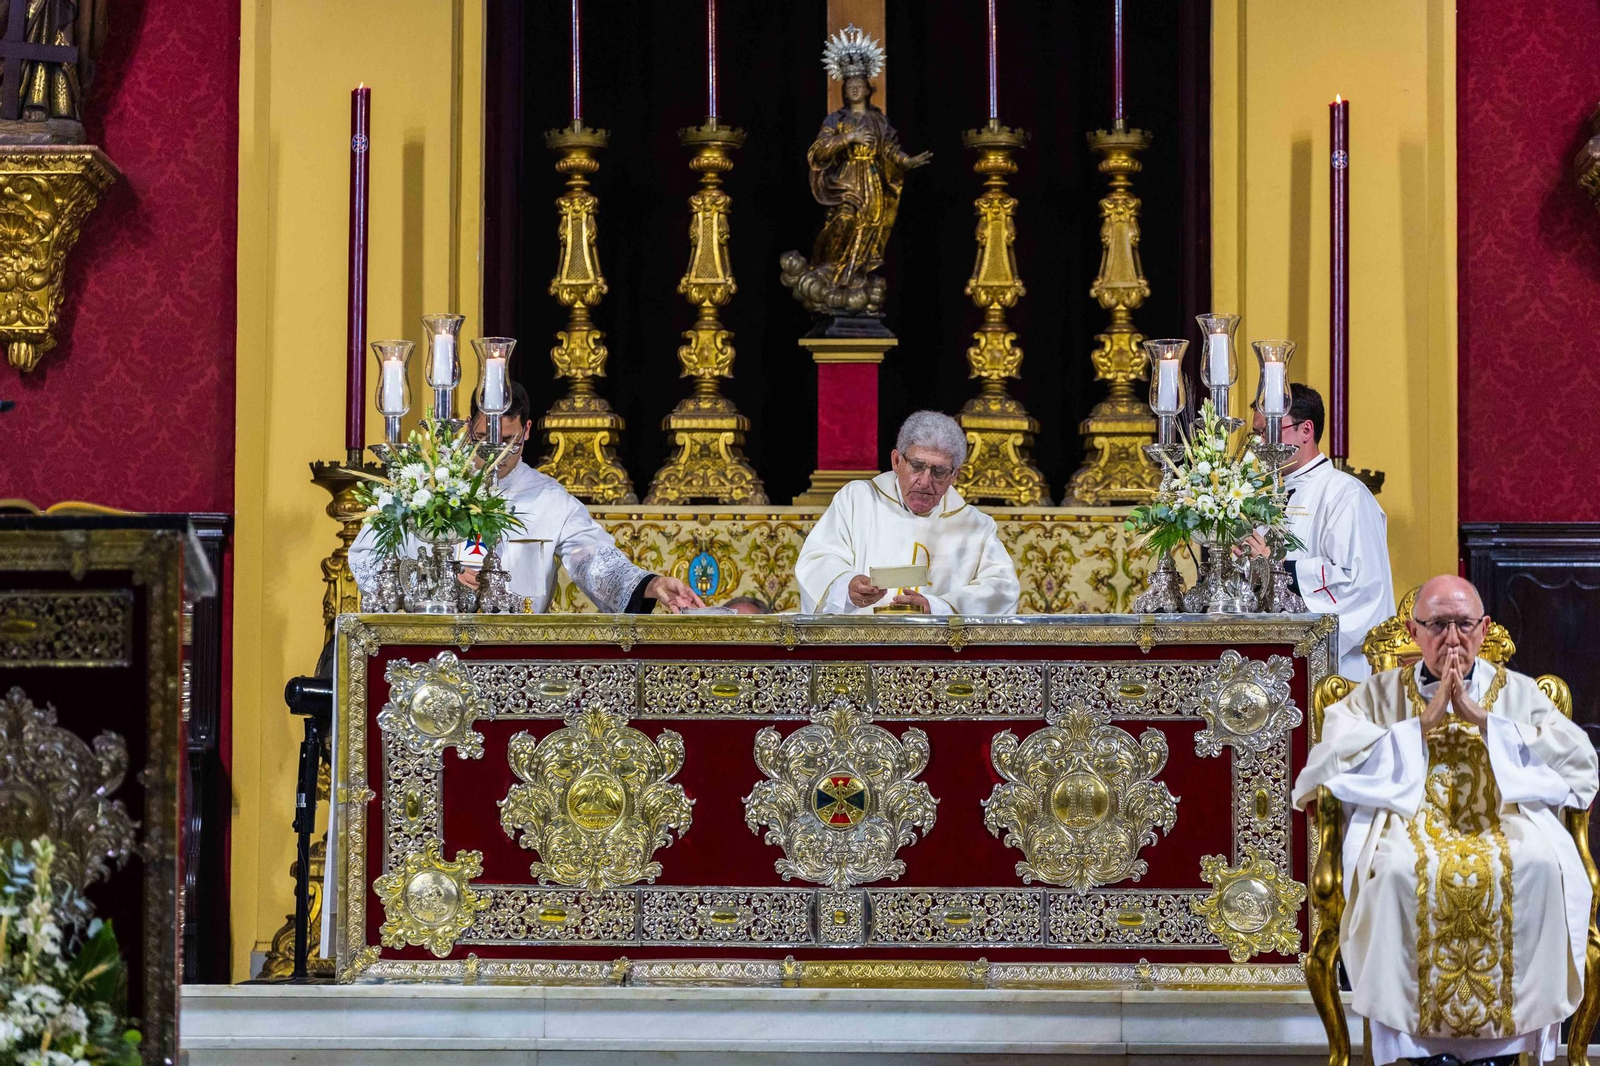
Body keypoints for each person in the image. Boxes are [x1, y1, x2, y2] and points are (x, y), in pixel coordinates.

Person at [1293, 575, 1597, 1066]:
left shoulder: (1517, 693)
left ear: (1485, 629)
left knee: (1539, 867)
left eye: (1464, 625)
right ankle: (1412, 1049)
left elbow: (1580, 763)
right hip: (1406, 827)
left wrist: (1488, 722)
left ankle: (1507, 1044)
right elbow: (1325, 767)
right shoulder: (1376, 695)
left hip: (1504, 825)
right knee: (1392, 875)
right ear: (1414, 632)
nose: (1452, 639)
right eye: (1437, 625)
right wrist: (1420, 726)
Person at [349, 384, 703, 614]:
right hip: (427, 644)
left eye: (508, 442)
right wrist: (434, 582)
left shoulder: (550, 500)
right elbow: (367, 557)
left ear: (527, 430)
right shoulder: (424, 487)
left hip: (513, 648)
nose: (495, 455)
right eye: (483, 438)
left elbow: (594, 561)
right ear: (468, 428)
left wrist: (651, 584)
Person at [796, 410, 1020, 615]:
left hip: (937, 653)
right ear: (896, 461)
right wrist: (847, 586)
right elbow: (817, 561)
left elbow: (1002, 587)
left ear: (955, 476)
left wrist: (936, 607)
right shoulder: (857, 500)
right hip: (861, 648)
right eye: (917, 466)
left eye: (939, 471)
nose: (925, 481)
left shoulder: (976, 525)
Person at [1247, 383, 1394, 680]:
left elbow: (1358, 584)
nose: (1261, 444)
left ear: (1306, 430)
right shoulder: (1267, 497)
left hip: (1339, 672)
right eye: (1257, 434)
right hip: (1277, 665)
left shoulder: (1345, 493)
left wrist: (1274, 567)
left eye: (1269, 431)